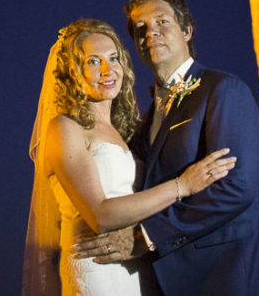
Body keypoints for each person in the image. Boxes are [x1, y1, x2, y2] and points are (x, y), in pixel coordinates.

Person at [79, 0, 259, 295]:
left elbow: (237, 187)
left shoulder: (223, 90)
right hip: (167, 280)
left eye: (162, 22)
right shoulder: (146, 120)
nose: (151, 33)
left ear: (187, 30)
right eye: (141, 28)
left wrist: (145, 236)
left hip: (228, 275)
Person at [23, 19, 236, 296]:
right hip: (95, 268)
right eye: (92, 61)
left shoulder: (124, 131)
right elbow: (100, 214)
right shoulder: (65, 128)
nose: (107, 70)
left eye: (113, 58)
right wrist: (181, 186)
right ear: (72, 72)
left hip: (131, 264)